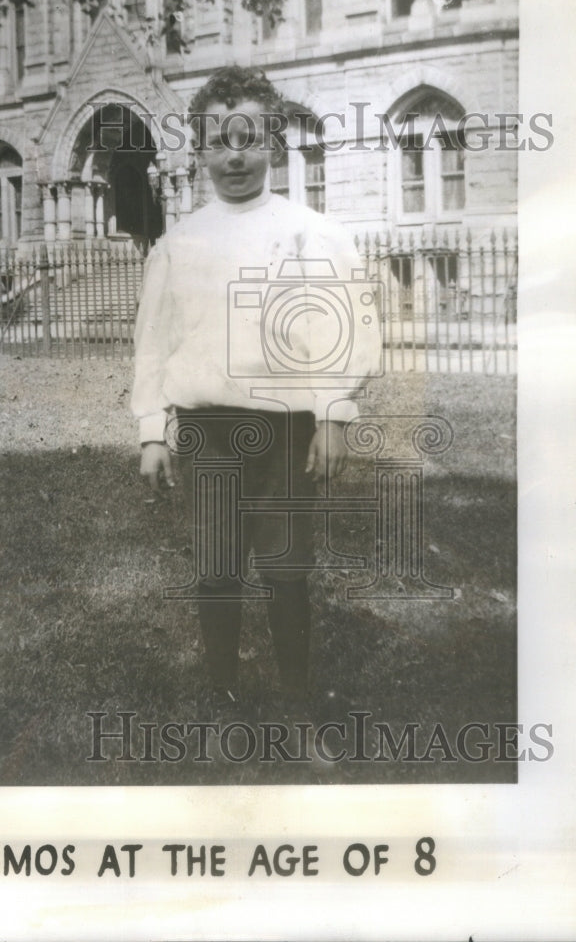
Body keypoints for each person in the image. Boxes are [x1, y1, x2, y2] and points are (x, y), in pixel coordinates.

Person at [132, 66, 378, 713]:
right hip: (208, 431)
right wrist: (152, 431)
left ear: (272, 142)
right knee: (216, 567)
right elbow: (153, 344)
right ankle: (222, 694)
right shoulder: (178, 244)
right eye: (219, 140)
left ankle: (295, 699)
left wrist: (332, 414)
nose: (234, 154)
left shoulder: (311, 233)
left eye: (248, 138)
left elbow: (343, 327)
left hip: (283, 429)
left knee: (285, 568)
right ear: (200, 149)